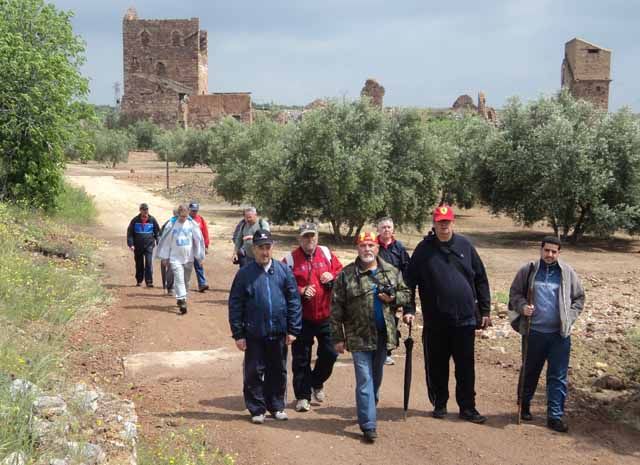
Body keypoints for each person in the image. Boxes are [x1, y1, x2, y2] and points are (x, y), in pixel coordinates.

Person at [405, 205, 491, 424]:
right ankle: (440, 403)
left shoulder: (465, 245)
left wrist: (485, 309)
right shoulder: (423, 249)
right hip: (436, 320)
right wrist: (408, 309)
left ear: (453, 223)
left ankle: (468, 408)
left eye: (447, 221)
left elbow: (480, 277)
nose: (444, 225)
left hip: (465, 319)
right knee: (437, 365)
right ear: (434, 223)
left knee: (465, 367)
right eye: (440, 221)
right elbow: (409, 282)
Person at [330, 231, 410, 443]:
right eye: (363, 245)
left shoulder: (391, 272)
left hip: (383, 336)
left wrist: (393, 298)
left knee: (375, 380)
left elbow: (406, 294)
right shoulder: (346, 275)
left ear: (377, 248)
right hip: (358, 337)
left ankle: (368, 408)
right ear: (357, 248)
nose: (367, 249)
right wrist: (338, 338)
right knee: (364, 380)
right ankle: (368, 425)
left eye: (370, 245)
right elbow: (336, 308)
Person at [508, 236, 585, 433]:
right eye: (546, 250)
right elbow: (515, 294)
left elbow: (579, 298)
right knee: (530, 371)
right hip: (533, 332)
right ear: (541, 250)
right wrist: (523, 307)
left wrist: (569, 317)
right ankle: (523, 406)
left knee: (558, 376)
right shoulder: (529, 270)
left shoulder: (567, 272)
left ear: (559, 253)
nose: (550, 254)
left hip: (559, 335)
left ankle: (555, 417)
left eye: (554, 251)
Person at [229, 229, 302, 424]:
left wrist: (293, 329)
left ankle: (277, 406)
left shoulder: (283, 270)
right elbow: (235, 304)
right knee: (253, 371)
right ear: (254, 249)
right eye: (260, 247)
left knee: (278, 370)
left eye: (267, 247)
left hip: (278, 331)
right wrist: (238, 334)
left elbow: (293, 300)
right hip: (253, 332)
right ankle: (256, 409)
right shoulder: (245, 274)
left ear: (272, 248)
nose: (264, 252)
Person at [283, 222, 343, 412]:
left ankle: (316, 382)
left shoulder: (326, 253)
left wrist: (331, 275)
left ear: (317, 237)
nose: (310, 240)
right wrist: (300, 291)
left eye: (312, 236)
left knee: (330, 353)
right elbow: (282, 285)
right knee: (301, 359)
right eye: (306, 236)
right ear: (299, 239)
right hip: (302, 318)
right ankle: (302, 396)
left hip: (326, 315)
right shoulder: (290, 260)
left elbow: (341, 272)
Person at [155, 204, 205, 314]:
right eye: (182, 216)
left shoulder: (192, 224)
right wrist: (165, 257)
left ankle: (182, 298)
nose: (183, 218)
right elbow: (166, 242)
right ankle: (182, 299)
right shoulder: (171, 225)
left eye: (185, 216)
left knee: (186, 280)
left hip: (189, 258)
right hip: (175, 257)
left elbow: (198, 241)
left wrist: (199, 257)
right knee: (178, 278)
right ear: (178, 214)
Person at [376, 217, 413, 366]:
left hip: (394, 293)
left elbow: (407, 271)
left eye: (389, 227)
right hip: (375, 291)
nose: (386, 229)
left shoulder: (399, 248)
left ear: (393, 230)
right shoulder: (373, 246)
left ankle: (386, 352)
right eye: (383, 227)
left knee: (391, 321)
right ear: (378, 230)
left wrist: (407, 304)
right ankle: (374, 350)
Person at [126, 203, 160, 287]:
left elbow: (157, 232)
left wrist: (159, 242)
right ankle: (139, 280)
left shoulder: (152, 220)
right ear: (140, 210)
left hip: (149, 245)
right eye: (143, 209)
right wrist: (131, 244)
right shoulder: (135, 220)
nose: (145, 211)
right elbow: (130, 233)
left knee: (149, 263)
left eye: (146, 209)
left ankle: (149, 281)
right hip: (138, 246)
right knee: (139, 263)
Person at [188, 201, 210, 292]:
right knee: (186, 267)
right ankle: (182, 285)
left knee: (199, 265)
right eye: (192, 211)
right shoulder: (185, 219)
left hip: (197, 247)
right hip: (187, 247)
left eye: (196, 211)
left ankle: (202, 284)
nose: (194, 212)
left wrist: (206, 245)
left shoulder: (200, 219)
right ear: (189, 210)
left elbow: (205, 232)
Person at [160, 208, 178, 295]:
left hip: (177, 250)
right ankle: (167, 286)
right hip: (167, 249)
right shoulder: (169, 223)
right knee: (166, 267)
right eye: (177, 214)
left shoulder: (185, 223)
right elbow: (161, 235)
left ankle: (171, 286)